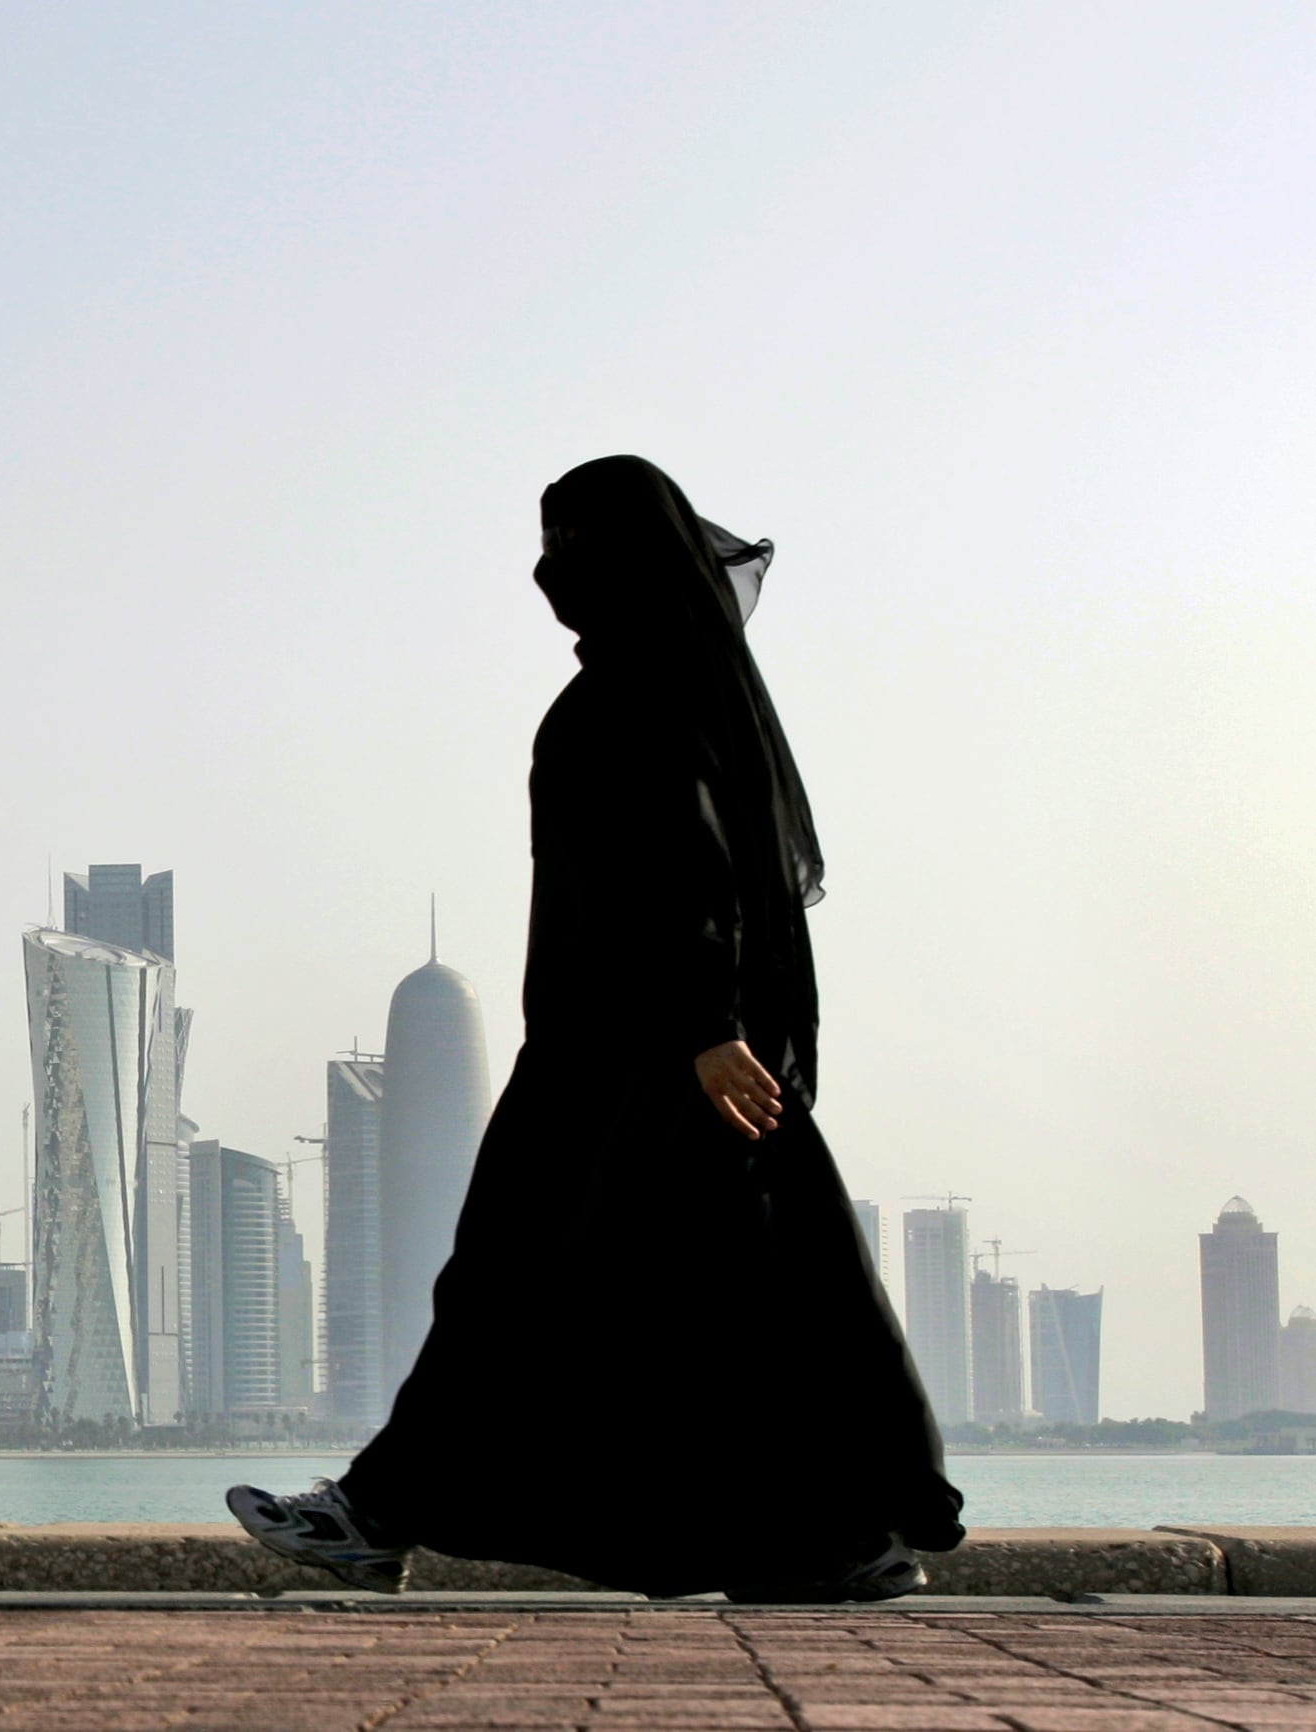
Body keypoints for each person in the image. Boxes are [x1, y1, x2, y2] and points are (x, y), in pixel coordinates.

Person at [228, 456, 963, 1602]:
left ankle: (377, 1514)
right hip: (627, 1049)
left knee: (523, 1287)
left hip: (643, 1058)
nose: (546, 572)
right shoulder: (652, 680)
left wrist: (709, 1027)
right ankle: (826, 1540)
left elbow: (693, 867)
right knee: (698, 1306)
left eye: (571, 545)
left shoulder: (647, 691)